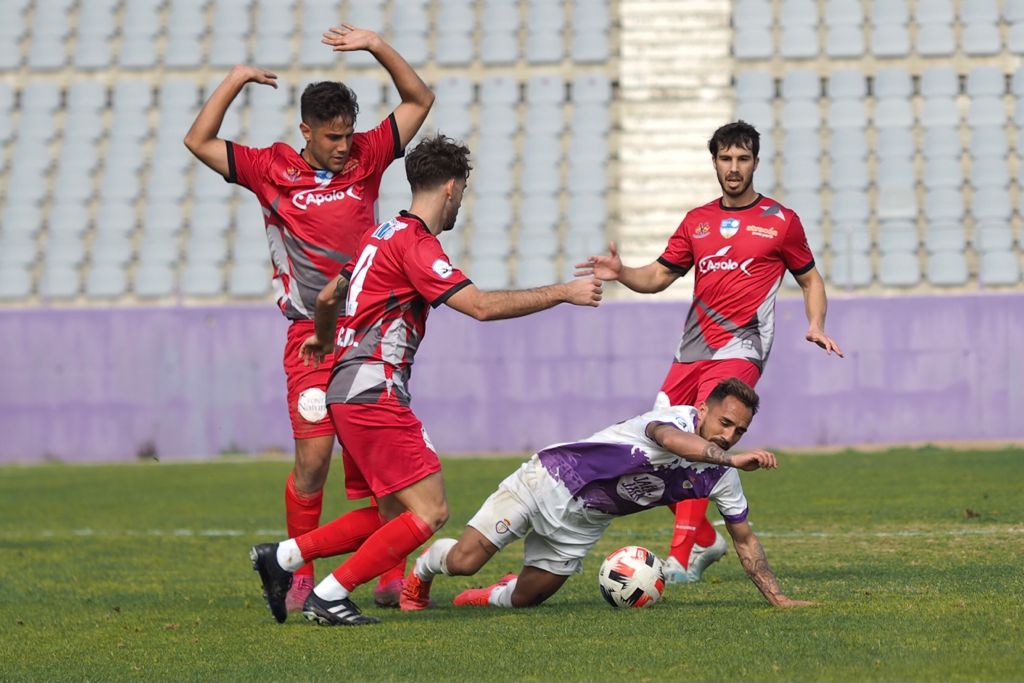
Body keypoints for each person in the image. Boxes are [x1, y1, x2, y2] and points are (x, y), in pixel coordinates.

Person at [249, 133, 605, 626]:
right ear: (452, 189)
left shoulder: (379, 234)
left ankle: (283, 558)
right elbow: (479, 306)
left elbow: (329, 297)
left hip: (348, 387)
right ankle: (330, 594)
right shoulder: (416, 243)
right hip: (375, 390)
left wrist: (327, 340)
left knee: (392, 514)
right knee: (431, 511)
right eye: (463, 192)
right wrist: (564, 291)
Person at [183, 25, 434, 610]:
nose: (345, 147)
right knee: (314, 458)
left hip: (368, 331)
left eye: (348, 135)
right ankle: (299, 568)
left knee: (377, 466)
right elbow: (198, 140)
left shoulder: (369, 156)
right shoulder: (270, 168)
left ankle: (386, 574)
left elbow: (419, 99)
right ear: (305, 132)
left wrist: (376, 45)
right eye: (332, 137)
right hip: (307, 335)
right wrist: (236, 80)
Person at [578, 120, 843, 584]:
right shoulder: (696, 221)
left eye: (743, 159)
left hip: (742, 347)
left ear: (756, 163)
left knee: (705, 438)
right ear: (716, 162)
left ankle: (678, 559)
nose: (734, 168)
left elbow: (810, 278)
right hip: (690, 350)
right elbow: (658, 277)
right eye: (726, 159)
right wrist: (622, 272)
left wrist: (815, 323)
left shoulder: (782, 221)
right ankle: (705, 541)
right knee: (657, 447)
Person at [396, 377, 812, 610]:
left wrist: (778, 598)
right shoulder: (671, 420)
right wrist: (730, 458)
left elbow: (744, 538)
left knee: (524, 600)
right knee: (465, 561)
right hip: (548, 481)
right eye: (724, 423)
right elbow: (669, 442)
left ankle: (487, 595)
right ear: (702, 410)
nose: (729, 435)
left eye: (739, 432)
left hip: (583, 522)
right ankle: (424, 571)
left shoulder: (722, 475)